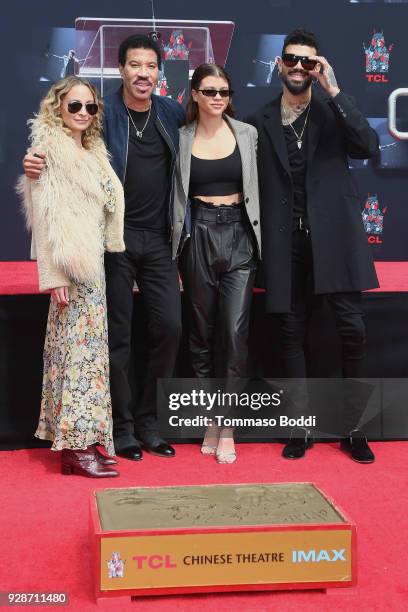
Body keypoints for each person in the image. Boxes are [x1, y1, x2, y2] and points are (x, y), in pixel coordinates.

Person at [23, 35, 185, 462]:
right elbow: (62, 141)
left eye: (151, 65)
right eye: (135, 65)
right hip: (112, 244)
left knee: (169, 329)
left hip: (160, 241)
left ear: (159, 72)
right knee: (117, 337)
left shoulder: (171, 113)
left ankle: (151, 423)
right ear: (121, 69)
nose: (143, 73)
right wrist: (35, 163)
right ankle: (123, 428)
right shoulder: (101, 112)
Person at [245, 28, 379, 463]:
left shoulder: (332, 110)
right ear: (280, 64)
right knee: (290, 336)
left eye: (309, 62)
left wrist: (335, 89)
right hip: (285, 245)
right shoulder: (259, 120)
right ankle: (299, 429)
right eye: (292, 60)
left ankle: (355, 429)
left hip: (335, 240)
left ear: (318, 67)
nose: (299, 67)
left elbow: (368, 145)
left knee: (352, 332)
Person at [17, 76, 125, 477]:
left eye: (90, 107)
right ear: (57, 107)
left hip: (93, 271)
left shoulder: (93, 150)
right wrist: (54, 275)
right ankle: (75, 451)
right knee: (76, 361)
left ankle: (87, 441)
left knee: (89, 360)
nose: (82, 113)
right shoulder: (48, 152)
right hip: (71, 271)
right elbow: (45, 220)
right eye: (74, 105)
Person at [172, 64, 261, 463]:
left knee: (235, 332)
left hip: (240, 235)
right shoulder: (180, 138)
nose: (217, 98)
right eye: (209, 91)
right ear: (194, 94)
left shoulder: (247, 133)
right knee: (201, 334)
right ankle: (211, 417)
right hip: (199, 235)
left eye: (223, 91)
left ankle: (227, 426)